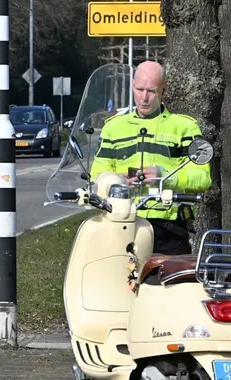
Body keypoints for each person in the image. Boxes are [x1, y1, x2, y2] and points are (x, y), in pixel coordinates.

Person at [89, 61, 211, 255]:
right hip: (121, 222)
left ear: (164, 89)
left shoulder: (184, 127)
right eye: (139, 89)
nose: (144, 98)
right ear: (132, 86)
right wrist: (118, 180)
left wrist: (166, 178)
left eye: (152, 91)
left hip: (168, 227)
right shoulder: (113, 128)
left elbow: (203, 177)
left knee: (172, 284)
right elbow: (97, 175)